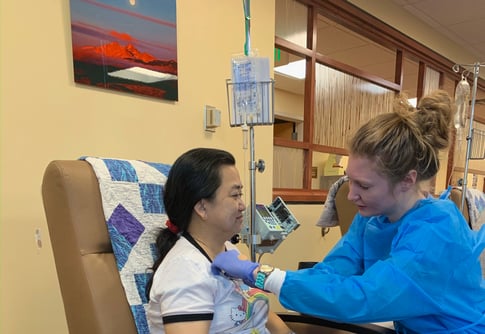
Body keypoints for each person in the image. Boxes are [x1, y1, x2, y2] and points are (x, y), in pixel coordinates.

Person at [211, 90, 485, 333]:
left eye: (364, 186)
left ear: (407, 180)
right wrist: (264, 275)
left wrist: (261, 274)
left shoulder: (436, 231)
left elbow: (364, 298)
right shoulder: (373, 218)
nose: (351, 195)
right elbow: (331, 273)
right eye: (349, 180)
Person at [145, 147, 293, 334]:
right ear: (202, 208)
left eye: (241, 194)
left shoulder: (229, 251)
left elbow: (260, 312)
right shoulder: (185, 271)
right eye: (234, 195)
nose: (242, 205)